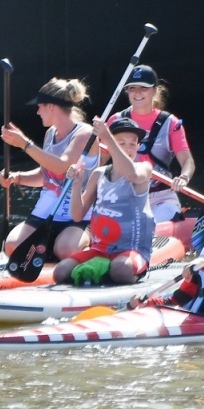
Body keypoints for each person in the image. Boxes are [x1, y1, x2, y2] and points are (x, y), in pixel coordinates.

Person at [0, 78, 96, 263]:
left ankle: (81, 249)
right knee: (12, 246)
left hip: (77, 214)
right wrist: (16, 178)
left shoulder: (85, 133)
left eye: (40, 106)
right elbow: (47, 175)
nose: (37, 112)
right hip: (46, 212)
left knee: (66, 250)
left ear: (51, 107)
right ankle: (48, 252)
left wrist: (24, 144)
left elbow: (62, 165)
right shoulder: (50, 133)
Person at [56, 117, 155, 286]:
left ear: (138, 147)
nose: (128, 148)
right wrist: (77, 183)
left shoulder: (143, 168)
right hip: (100, 249)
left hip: (131, 250)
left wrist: (108, 137)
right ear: (110, 147)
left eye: (132, 144)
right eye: (121, 143)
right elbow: (77, 215)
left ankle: (115, 274)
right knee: (60, 272)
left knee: (121, 269)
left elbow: (131, 175)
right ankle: (101, 270)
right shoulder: (98, 174)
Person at [109, 65, 196, 240]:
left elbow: (187, 160)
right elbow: (97, 160)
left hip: (161, 196)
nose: (137, 93)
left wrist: (184, 177)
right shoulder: (115, 121)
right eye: (132, 88)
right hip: (127, 194)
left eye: (143, 88)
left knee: (147, 228)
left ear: (155, 91)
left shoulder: (170, 123)